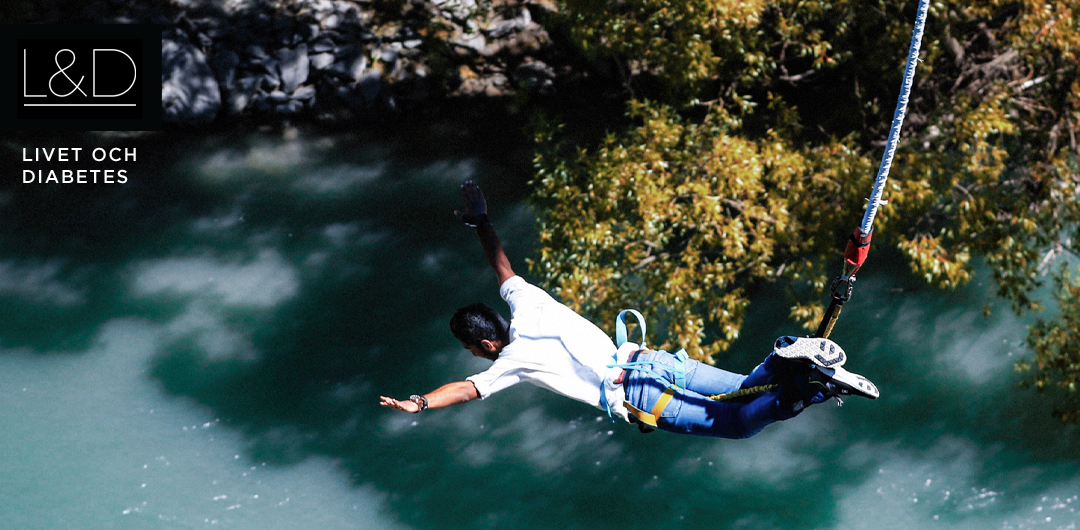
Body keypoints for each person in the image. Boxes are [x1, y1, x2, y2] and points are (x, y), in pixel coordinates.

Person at [379, 181, 879, 438]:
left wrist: (419, 402)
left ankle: (808, 379)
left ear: (486, 343)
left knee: (740, 423)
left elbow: (466, 390)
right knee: (744, 388)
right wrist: (482, 220)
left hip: (639, 392)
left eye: (471, 349)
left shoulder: (511, 362)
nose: (474, 358)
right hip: (649, 359)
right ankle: (795, 360)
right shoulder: (526, 301)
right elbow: (501, 266)